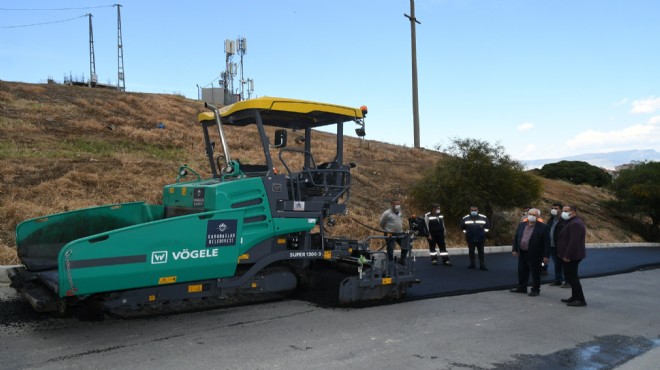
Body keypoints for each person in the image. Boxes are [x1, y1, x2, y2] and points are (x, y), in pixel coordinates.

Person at [509, 208, 550, 296]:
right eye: (530, 214)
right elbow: (517, 237)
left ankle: (535, 289)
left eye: (534, 215)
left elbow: (547, 242)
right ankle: (522, 287)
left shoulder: (544, 227)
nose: (531, 216)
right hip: (522, 252)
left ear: (538, 216)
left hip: (535, 254)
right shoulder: (522, 225)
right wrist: (515, 249)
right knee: (521, 271)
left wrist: (546, 256)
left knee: (535, 272)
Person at [557, 205, 587, 307]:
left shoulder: (575, 224)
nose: (563, 213)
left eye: (566, 211)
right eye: (563, 211)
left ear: (573, 213)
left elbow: (573, 242)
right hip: (569, 255)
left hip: (572, 256)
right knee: (570, 277)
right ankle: (574, 297)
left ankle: (580, 299)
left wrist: (567, 255)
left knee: (572, 277)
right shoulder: (571, 222)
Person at [460, 206, 490, 271]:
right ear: (470, 211)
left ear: (477, 210)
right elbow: (462, 227)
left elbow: (487, 227)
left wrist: (483, 233)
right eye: (472, 210)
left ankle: (482, 265)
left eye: (475, 210)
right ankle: (472, 264)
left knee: (481, 252)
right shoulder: (466, 218)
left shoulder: (483, 217)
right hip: (470, 238)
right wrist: (467, 233)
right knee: (471, 252)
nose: (473, 211)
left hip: (480, 238)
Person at [379, 199, 408, 265]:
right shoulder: (387, 213)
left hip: (399, 233)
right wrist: (387, 230)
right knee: (390, 247)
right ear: (392, 205)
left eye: (399, 204)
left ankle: (402, 259)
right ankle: (390, 261)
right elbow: (381, 223)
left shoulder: (400, 212)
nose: (398, 205)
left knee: (406, 245)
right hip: (390, 233)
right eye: (396, 204)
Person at [546, 203, 567, 287]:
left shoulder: (564, 220)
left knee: (565, 264)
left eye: (556, 208)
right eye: (553, 208)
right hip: (552, 245)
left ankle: (568, 281)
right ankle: (558, 280)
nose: (554, 210)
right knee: (557, 263)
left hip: (561, 246)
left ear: (561, 210)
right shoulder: (551, 219)